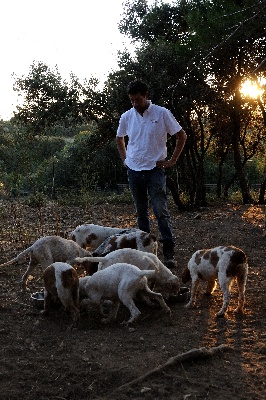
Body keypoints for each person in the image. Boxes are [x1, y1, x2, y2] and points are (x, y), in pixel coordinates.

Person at [116, 80, 186, 262]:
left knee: (161, 210)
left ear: (146, 95)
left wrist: (172, 160)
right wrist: (125, 159)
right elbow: (119, 138)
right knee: (141, 212)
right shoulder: (127, 116)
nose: (134, 104)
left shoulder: (162, 113)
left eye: (137, 99)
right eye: (131, 100)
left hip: (155, 169)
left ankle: (168, 251)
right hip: (134, 169)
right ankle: (144, 250)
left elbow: (181, 135)